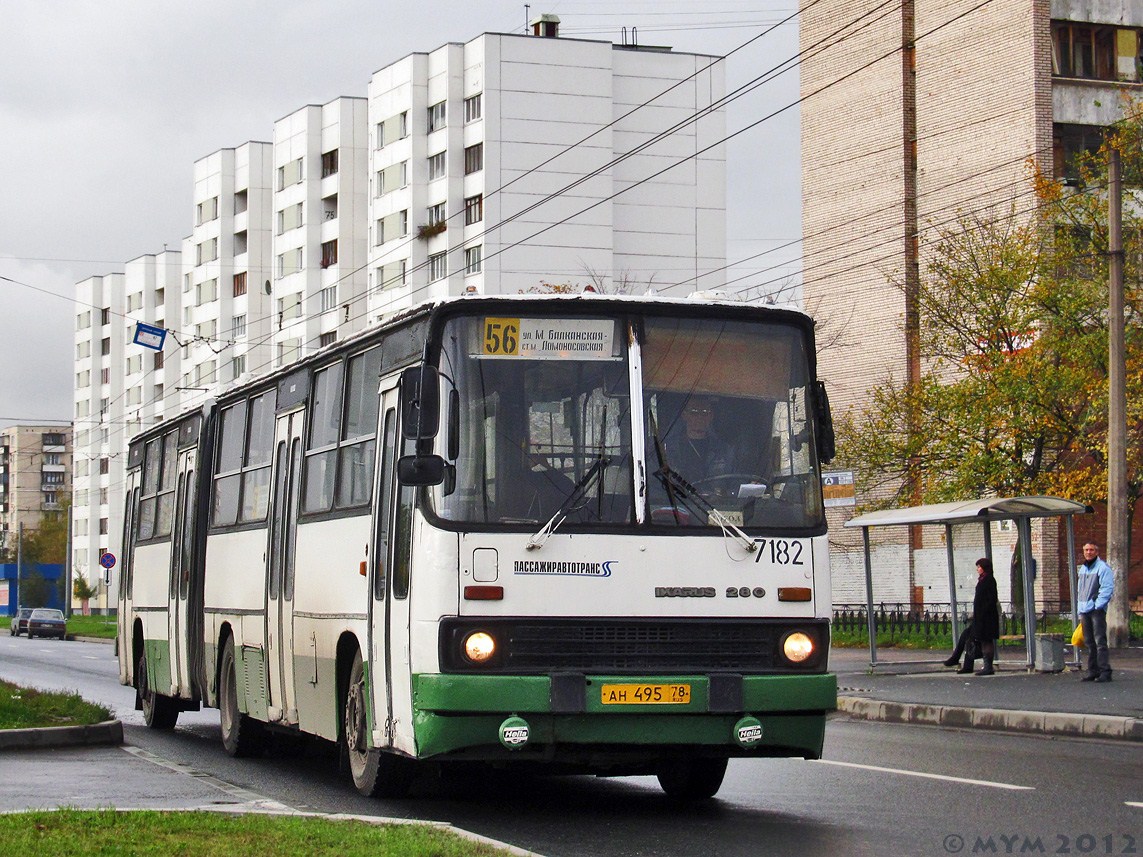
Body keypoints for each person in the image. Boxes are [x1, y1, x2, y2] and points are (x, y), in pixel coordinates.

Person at [663, 395, 737, 484]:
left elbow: (734, 483)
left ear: (711, 416)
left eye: (705, 412)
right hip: (677, 497)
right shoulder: (667, 449)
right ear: (684, 415)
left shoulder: (724, 450)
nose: (700, 417)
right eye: (694, 412)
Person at [1077, 541, 1114, 683]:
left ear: (1097, 552)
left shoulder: (1103, 568)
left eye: (1091, 550)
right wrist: (1080, 606)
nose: (1088, 552)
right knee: (1089, 642)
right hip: (1085, 609)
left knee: (1099, 641)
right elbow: (1080, 589)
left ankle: (1105, 671)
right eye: (1086, 549)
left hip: (1095, 610)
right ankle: (1093, 671)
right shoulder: (1083, 569)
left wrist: (1098, 605)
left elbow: (1107, 588)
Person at [956, 557, 1000, 676]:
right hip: (980, 617)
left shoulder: (989, 580)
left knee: (986, 640)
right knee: (969, 637)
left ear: (984, 568)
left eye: (979, 567)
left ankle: (988, 667)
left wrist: (983, 611)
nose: (977, 569)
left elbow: (991, 599)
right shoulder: (982, 579)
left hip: (987, 618)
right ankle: (967, 666)